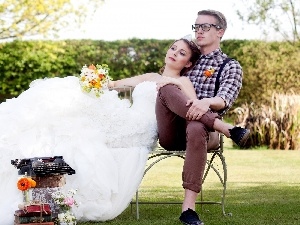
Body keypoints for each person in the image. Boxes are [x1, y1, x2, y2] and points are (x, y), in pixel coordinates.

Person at [155, 10, 249, 225]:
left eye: (205, 27)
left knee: (196, 125)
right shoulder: (187, 58)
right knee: (168, 87)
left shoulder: (230, 65)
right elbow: (163, 80)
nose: (199, 31)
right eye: (196, 26)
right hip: (172, 131)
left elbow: (226, 98)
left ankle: (188, 209)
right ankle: (228, 129)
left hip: (205, 134)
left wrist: (206, 102)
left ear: (220, 32)